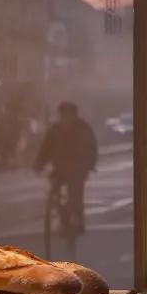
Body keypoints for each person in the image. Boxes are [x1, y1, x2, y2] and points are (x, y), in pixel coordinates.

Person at [33, 101, 99, 239]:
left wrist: (89, 165)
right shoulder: (55, 130)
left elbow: (91, 148)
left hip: (78, 169)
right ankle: (63, 219)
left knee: (75, 194)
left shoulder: (83, 128)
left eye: (70, 115)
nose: (67, 118)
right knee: (54, 192)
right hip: (60, 168)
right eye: (64, 115)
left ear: (75, 115)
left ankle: (78, 221)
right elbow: (46, 149)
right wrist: (39, 163)